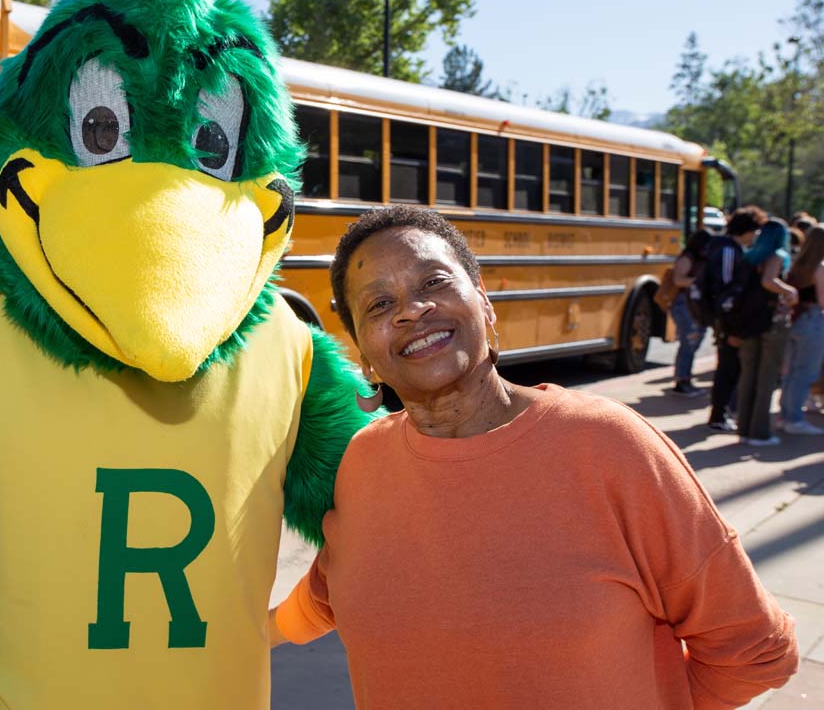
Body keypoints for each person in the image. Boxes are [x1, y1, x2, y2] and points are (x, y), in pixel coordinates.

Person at [269, 205, 798, 708]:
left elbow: (755, 652)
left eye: (434, 282)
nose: (411, 309)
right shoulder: (363, 460)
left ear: (484, 301)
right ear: (364, 352)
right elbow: (333, 587)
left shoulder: (609, 446)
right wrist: (244, 633)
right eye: (379, 304)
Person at [732, 219, 798, 446]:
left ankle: (744, 428)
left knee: (748, 376)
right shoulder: (778, 255)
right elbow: (768, 281)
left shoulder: (749, 256)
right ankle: (759, 433)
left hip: (749, 322)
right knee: (767, 378)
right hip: (772, 322)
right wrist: (790, 290)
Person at [705, 206, 767, 431]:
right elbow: (726, 293)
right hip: (729, 323)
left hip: (728, 322)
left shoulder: (729, 249)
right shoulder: (730, 251)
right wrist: (731, 328)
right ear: (746, 230)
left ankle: (721, 413)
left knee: (728, 369)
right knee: (727, 370)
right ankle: (718, 415)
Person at [779, 225, 824, 434]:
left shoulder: (798, 263)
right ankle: (794, 419)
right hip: (813, 320)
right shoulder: (820, 268)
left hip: (796, 320)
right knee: (805, 373)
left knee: (791, 373)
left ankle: (786, 415)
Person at [669, 229, 714, 396]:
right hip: (684, 305)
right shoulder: (687, 258)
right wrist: (700, 282)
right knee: (689, 343)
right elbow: (678, 280)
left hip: (694, 305)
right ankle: (682, 380)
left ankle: (684, 378)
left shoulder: (700, 259)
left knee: (692, 343)